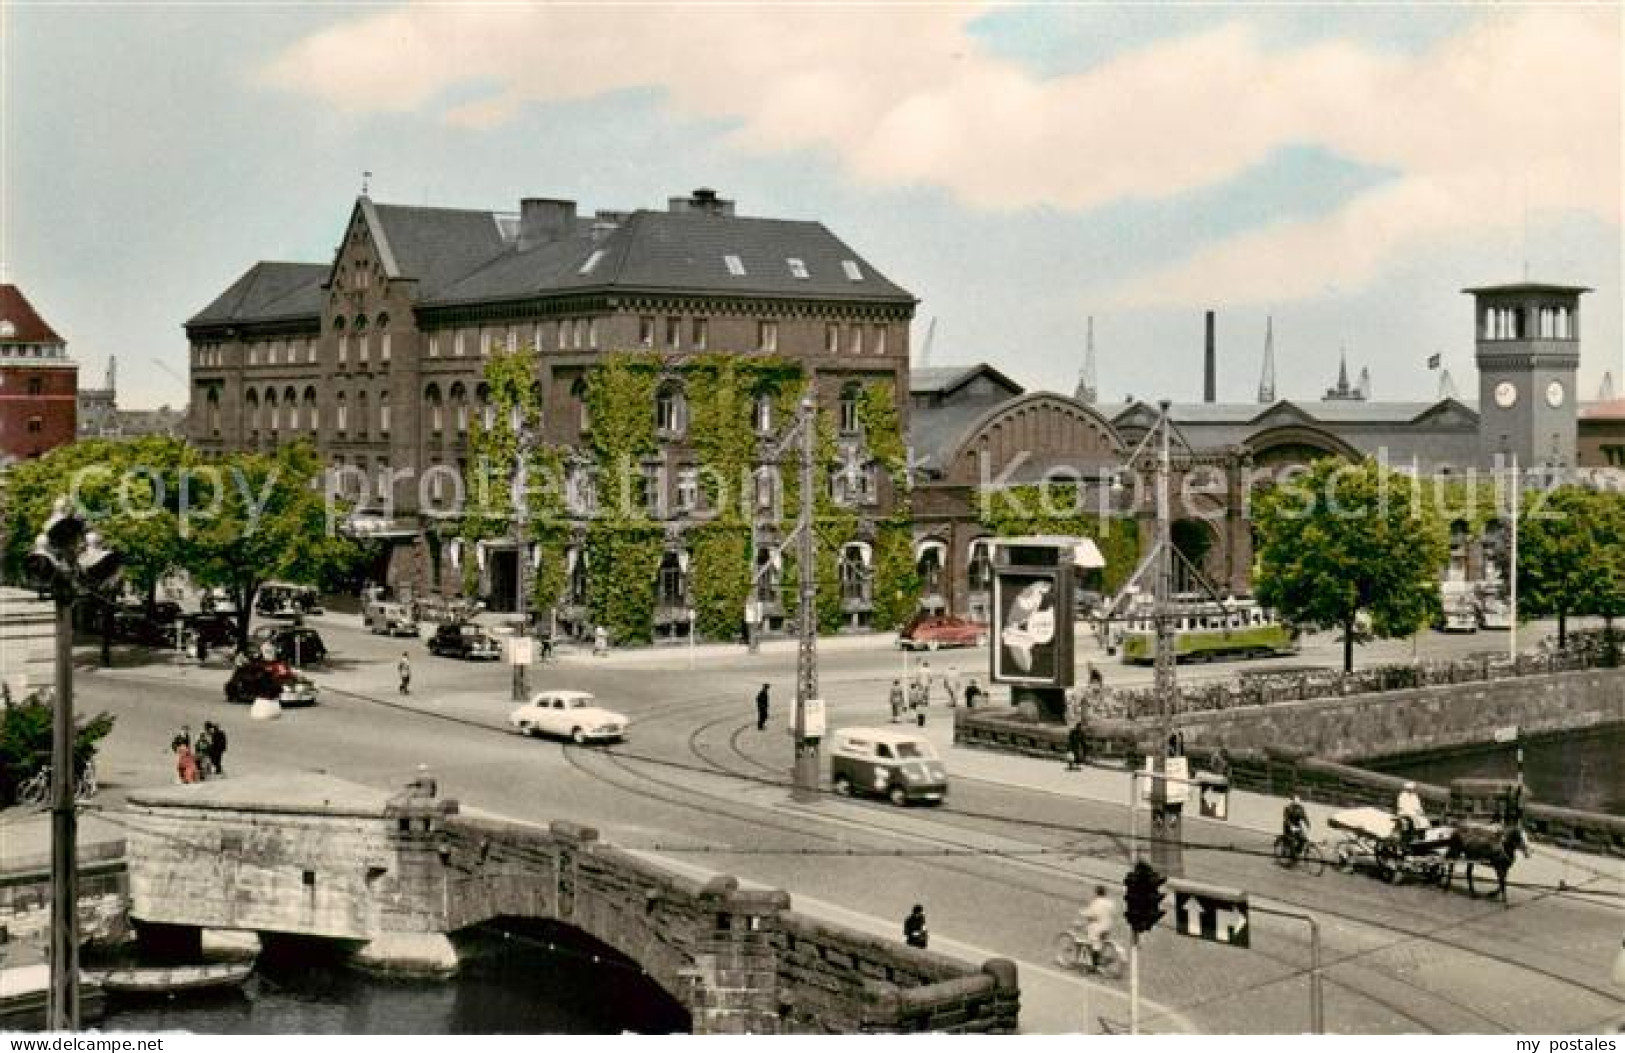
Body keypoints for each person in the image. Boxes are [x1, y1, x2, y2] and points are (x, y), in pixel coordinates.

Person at [1072, 885, 1119, 971]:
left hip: (1098, 927)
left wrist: (1081, 912)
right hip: (1108, 926)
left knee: (1094, 943)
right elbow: (1114, 913)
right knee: (1101, 942)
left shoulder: (1096, 902)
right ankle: (1098, 958)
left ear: (1096, 893)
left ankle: (1094, 965)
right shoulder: (1110, 903)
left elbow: (1091, 913)